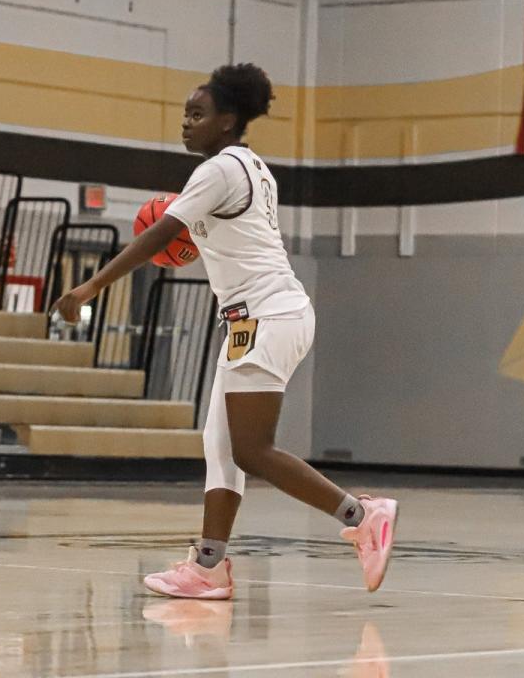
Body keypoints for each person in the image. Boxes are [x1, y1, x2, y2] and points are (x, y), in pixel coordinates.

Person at [53, 63, 399, 600]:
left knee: (251, 449)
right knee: (220, 445)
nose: (186, 124)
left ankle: (362, 514)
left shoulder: (218, 170)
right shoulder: (253, 168)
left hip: (267, 315)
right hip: (254, 318)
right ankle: (209, 567)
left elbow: (158, 236)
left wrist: (86, 289)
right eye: (185, 115)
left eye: (197, 114)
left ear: (227, 120)